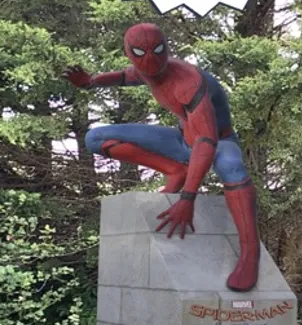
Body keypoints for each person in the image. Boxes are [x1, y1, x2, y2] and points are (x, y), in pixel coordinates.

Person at [63, 23, 260, 292]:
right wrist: (91, 82)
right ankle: (174, 170)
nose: (150, 61)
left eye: (157, 52)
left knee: (232, 168)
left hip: (219, 142)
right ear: (129, 53)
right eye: (140, 54)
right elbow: (124, 76)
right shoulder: (145, 71)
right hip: (182, 140)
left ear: (166, 49)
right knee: (95, 138)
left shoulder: (188, 82)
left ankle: (250, 252)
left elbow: (206, 142)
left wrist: (187, 198)